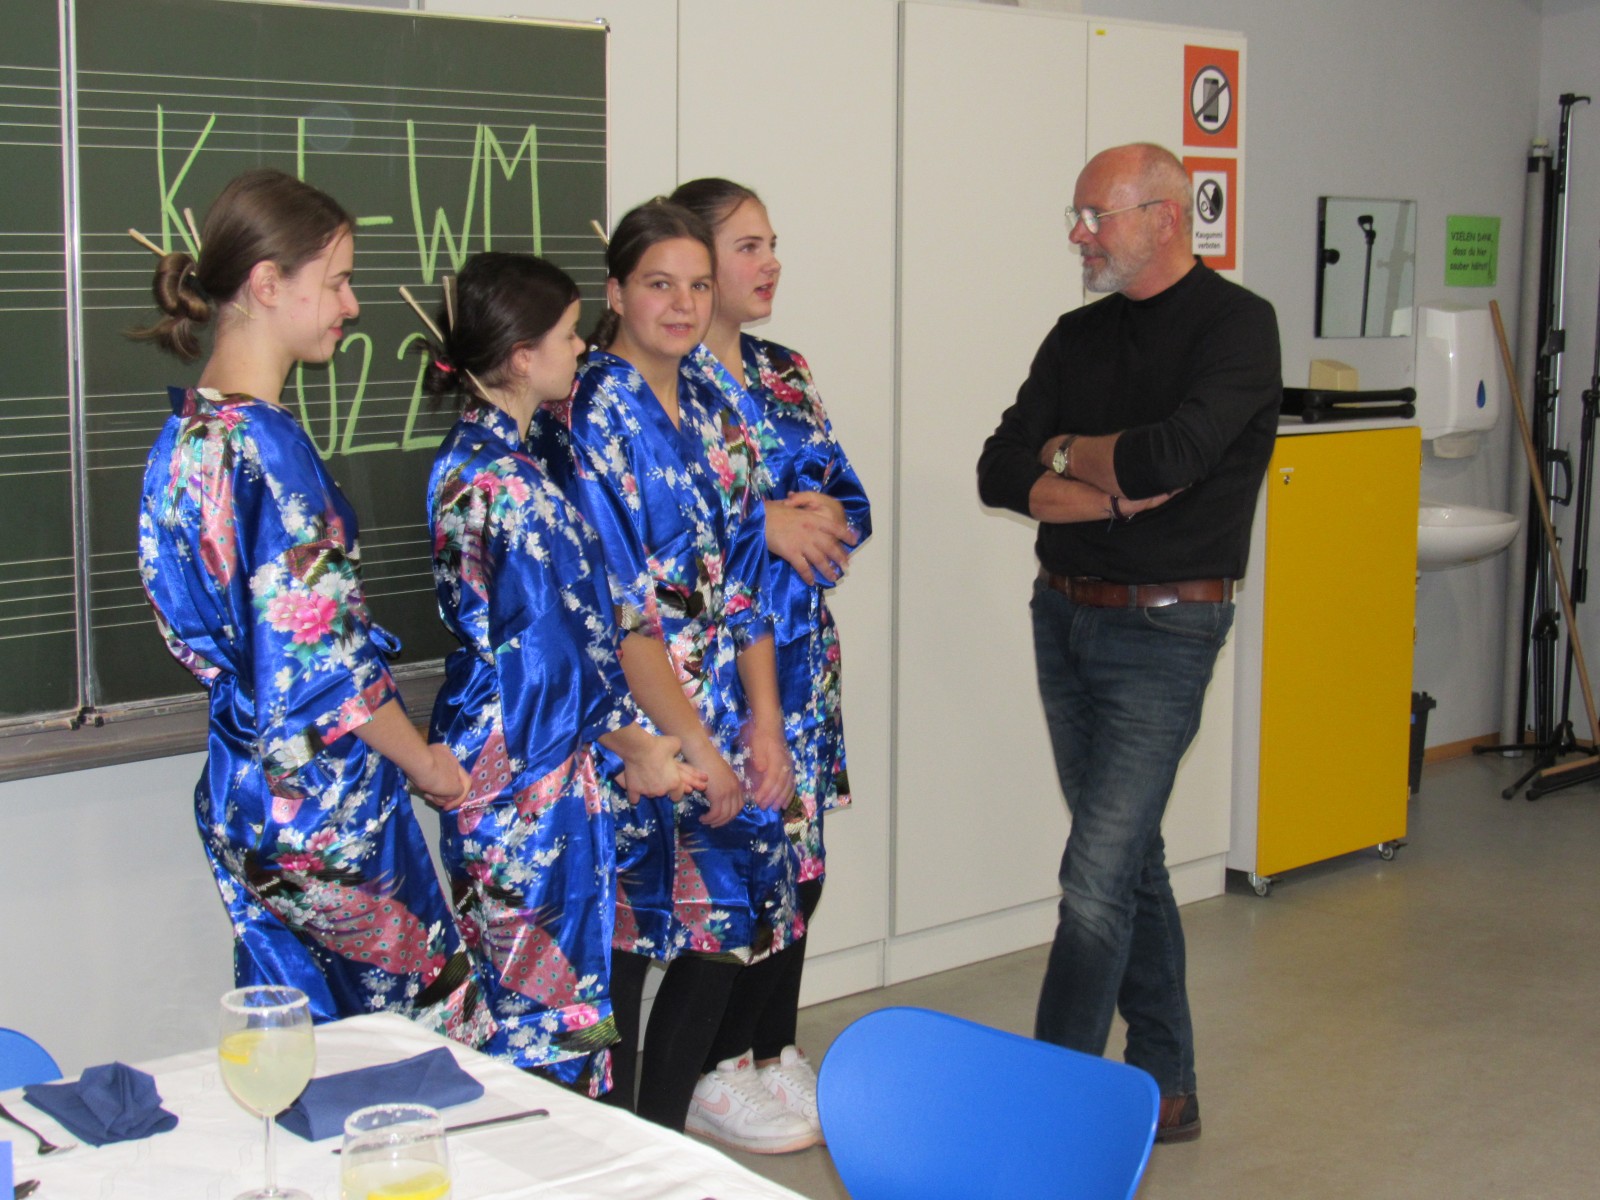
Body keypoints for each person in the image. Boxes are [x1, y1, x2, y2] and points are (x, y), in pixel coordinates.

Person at [133, 168, 491, 1044]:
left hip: (244, 785)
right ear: (267, 283)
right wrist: (426, 762)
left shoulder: (185, 435)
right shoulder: (267, 448)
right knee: (420, 1043)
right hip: (323, 803)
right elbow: (326, 664)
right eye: (335, 281)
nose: (353, 305)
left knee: (300, 1041)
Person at [976, 143, 1282, 1143]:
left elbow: (1177, 454)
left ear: (1164, 216)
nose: (1079, 235)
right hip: (1063, 614)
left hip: (1167, 626)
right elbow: (998, 466)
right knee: (1131, 857)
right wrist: (1101, 488)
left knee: (1095, 878)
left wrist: (1067, 458)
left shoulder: (1237, 326)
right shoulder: (1077, 335)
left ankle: (1051, 1107)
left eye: (1094, 216)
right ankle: (1166, 1082)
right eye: (1076, 216)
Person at [533, 199, 809, 1150]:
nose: (684, 304)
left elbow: (749, 578)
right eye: (660, 284)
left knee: (726, 925)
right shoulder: (581, 416)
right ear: (615, 293)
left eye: (698, 284)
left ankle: (662, 1139)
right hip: (633, 725)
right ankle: (623, 1149)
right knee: (626, 936)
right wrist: (693, 744)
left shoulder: (719, 402)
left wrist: (766, 722)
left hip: (725, 708)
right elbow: (617, 616)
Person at [418, 252, 704, 1096]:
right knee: (542, 1000)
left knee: (521, 982)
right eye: (571, 334)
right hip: (525, 767)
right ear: (521, 357)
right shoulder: (507, 485)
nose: (582, 348)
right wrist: (638, 747)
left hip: (511, 748)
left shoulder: (479, 460)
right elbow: (548, 658)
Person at [670, 177, 871, 1145]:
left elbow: (845, 495)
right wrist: (766, 525)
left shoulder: (784, 371)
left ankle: (769, 1048)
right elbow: (664, 529)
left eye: (772, 243)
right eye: (748, 246)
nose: (771, 263)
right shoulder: (656, 381)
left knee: (802, 864)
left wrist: (818, 518)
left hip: (801, 655)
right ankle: (711, 1071)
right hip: (715, 665)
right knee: (734, 867)